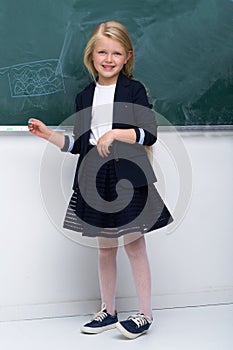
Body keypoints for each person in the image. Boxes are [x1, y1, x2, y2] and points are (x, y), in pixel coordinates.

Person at [28, 20, 173, 339]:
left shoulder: (134, 90)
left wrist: (116, 133)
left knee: (134, 246)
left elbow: (149, 134)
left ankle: (145, 315)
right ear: (91, 55)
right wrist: (49, 135)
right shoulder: (84, 96)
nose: (109, 58)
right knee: (105, 248)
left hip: (128, 177)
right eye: (102, 52)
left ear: (127, 56)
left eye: (117, 53)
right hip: (95, 179)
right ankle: (109, 311)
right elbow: (80, 144)